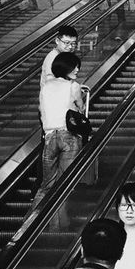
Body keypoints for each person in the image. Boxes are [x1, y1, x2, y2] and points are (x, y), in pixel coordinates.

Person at [33, 52, 84, 224]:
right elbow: (80, 108)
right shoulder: (73, 86)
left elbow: (41, 110)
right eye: (74, 66)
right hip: (68, 136)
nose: (77, 70)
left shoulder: (45, 86)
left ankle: (29, 226)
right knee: (65, 183)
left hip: (49, 137)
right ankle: (59, 226)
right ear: (65, 67)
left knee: (46, 185)